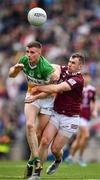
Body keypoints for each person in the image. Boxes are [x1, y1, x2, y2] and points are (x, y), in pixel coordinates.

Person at [28, 52, 85, 179]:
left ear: (80, 66)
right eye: (69, 61)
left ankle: (58, 160)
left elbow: (57, 88)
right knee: (44, 141)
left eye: (73, 63)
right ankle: (37, 173)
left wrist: (38, 87)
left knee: (54, 149)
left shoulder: (78, 80)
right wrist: (39, 62)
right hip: (56, 113)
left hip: (70, 119)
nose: (69, 64)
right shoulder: (64, 70)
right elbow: (52, 66)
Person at [8, 41, 60, 179]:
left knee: (37, 135)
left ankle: (30, 163)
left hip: (47, 99)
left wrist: (38, 92)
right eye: (27, 52)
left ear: (39, 53)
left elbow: (52, 91)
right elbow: (11, 75)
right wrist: (15, 69)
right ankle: (36, 160)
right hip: (32, 96)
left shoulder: (46, 68)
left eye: (32, 52)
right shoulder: (24, 59)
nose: (28, 55)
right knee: (30, 125)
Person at [66, 70, 98, 167]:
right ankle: (80, 157)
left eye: (88, 76)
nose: (86, 78)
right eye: (85, 76)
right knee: (86, 135)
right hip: (78, 115)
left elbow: (94, 102)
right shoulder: (77, 88)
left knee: (80, 138)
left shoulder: (92, 89)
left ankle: (70, 157)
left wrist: (94, 110)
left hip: (87, 115)